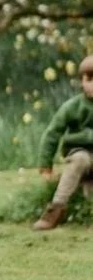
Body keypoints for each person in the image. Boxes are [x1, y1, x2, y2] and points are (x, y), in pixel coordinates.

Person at [34, 55, 93, 230]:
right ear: (82, 82)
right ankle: (56, 209)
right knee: (80, 160)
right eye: (89, 79)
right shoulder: (72, 106)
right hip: (79, 152)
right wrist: (45, 165)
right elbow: (52, 134)